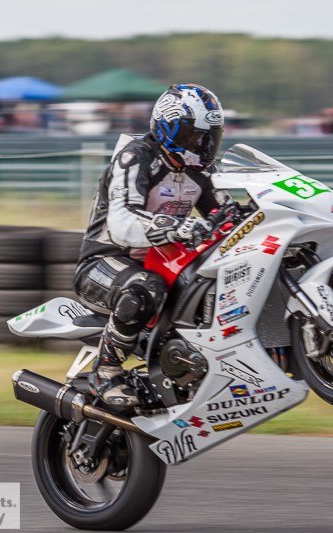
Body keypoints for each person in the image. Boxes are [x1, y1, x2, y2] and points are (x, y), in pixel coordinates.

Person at [74, 83, 225, 409]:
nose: (202, 145)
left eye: (209, 137)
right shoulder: (135, 157)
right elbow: (122, 223)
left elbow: (222, 214)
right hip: (105, 261)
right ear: (168, 128)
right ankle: (106, 371)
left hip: (164, 262)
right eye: (194, 135)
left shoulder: (199, 171)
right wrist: (176, 227)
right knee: (146, 287)